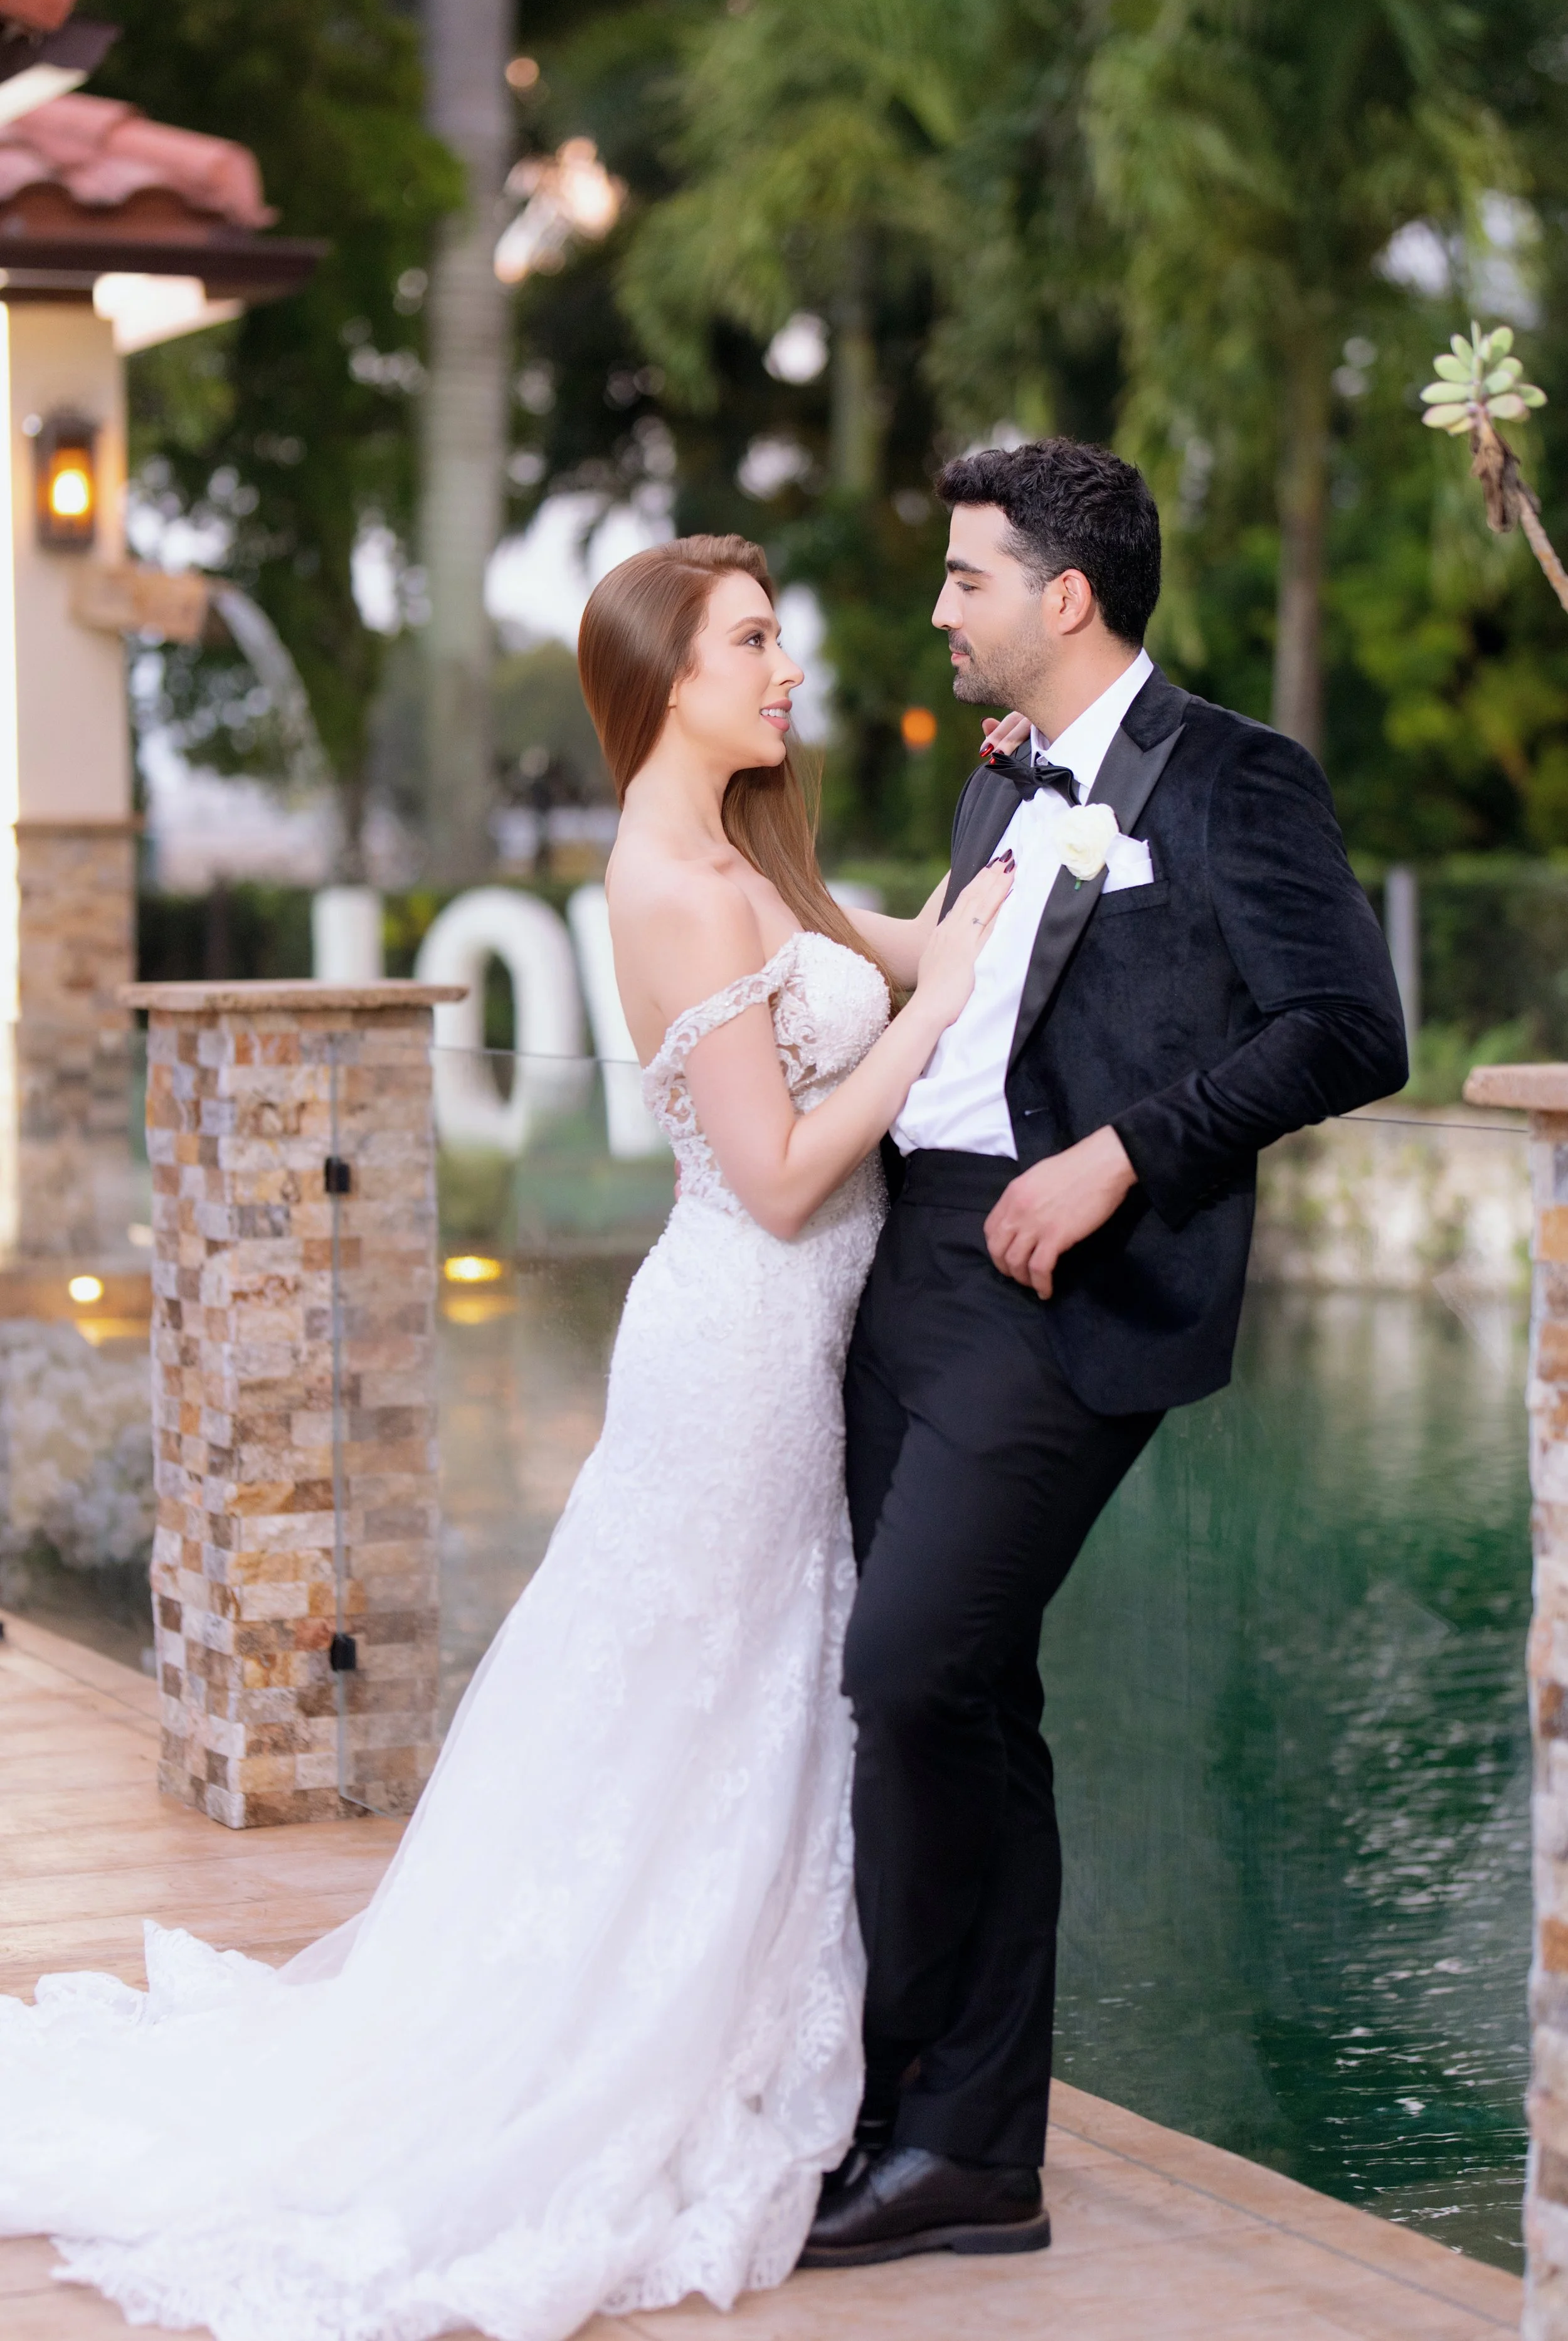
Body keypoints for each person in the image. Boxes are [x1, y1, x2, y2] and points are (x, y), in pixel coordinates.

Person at [0, 534, 1010, 2341]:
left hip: (806, 1351)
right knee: (685, 1695)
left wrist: (1027, 839)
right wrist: (931, 1016)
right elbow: (777, 1176)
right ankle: (611, 2047)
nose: (791, 669)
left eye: (782, 638)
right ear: (666, 677)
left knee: (756, 1685)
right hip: (740, 1343)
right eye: (756, 642)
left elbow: (920, 939)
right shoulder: (665, 879)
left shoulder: (755, 851)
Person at [801, 438, 1409, 2268]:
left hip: (1065, 1285)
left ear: (1064, 597)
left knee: (909, 1670)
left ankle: (928, 2105)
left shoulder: (1240, 778)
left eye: (965, 578)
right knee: (962, 1699)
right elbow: (963, 994)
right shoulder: (995, 779)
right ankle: (955, 2141)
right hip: (907, 1261)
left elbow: (1349, 1027)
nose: (939, 612)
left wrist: (1119, 1153)